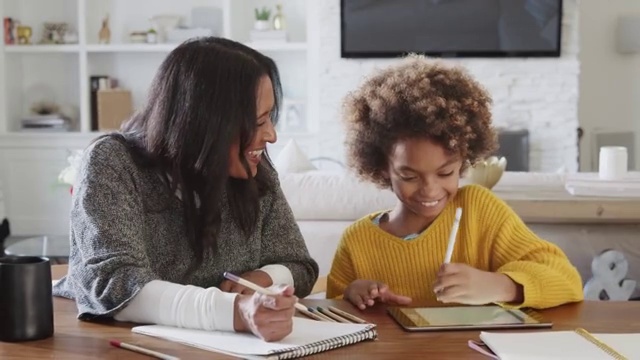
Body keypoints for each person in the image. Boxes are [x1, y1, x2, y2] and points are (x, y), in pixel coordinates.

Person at [53, 37, 319, 342]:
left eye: (269, 118)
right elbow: (113, 284)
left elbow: (300, 266)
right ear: (205, 123)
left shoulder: (254, 169)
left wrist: (263, 280)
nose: (271, 136)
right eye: (258, 122)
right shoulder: (113, 163)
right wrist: (236, 311)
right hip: (119, 344)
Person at [326, 55, 583, 310]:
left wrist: (500, 285)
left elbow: (567, 280)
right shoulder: (356, 241)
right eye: (409, 176)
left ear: (463, 161)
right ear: (383, 168)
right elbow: (332, 313)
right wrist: (352, 294)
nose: (430, 189)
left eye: (445, 172)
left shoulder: (478, 210)